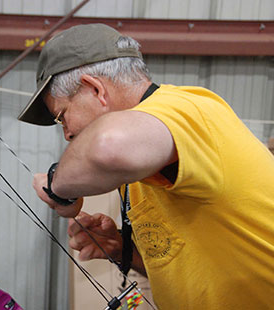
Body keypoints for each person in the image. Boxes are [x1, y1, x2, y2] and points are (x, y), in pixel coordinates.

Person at [18, 23, 274, 309]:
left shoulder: (186, 110)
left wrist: (58, 188)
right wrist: (118, 248)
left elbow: (108, 144)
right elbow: (190, 266)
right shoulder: (143, 163)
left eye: (62, 116)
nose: (66, 133)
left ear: (95, 89)